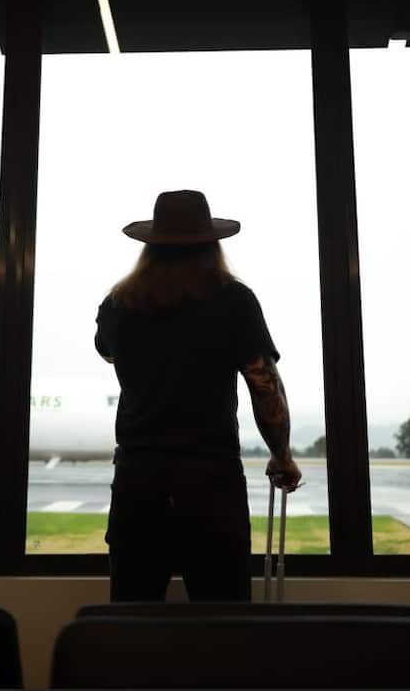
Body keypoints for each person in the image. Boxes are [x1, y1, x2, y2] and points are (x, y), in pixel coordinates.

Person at [94, 189, 302, 601]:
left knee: (132, 619)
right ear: (212, 244)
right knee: (224, 621)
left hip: (139, 478)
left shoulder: (119, 303)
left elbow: (107, 352)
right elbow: (265, 385)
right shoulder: (234, 300)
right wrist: (281, 455)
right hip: (211, 480)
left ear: (150, 247)